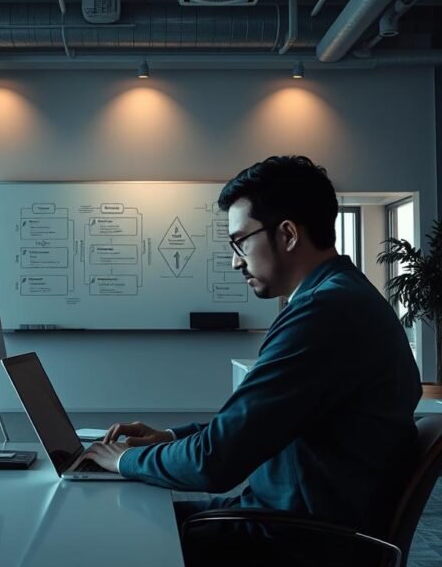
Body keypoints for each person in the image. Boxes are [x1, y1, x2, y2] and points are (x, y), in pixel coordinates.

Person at [84, 155, 422, 564]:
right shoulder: (344, 296)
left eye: (240, 241)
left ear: (288, 234)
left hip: (294, 539)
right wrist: (169, 438)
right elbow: (256, 426)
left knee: (110, 529)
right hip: (293, 518)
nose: (235, 260)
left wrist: (124, 459)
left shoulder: (323, 312)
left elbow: (214, 463)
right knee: (128, 516)